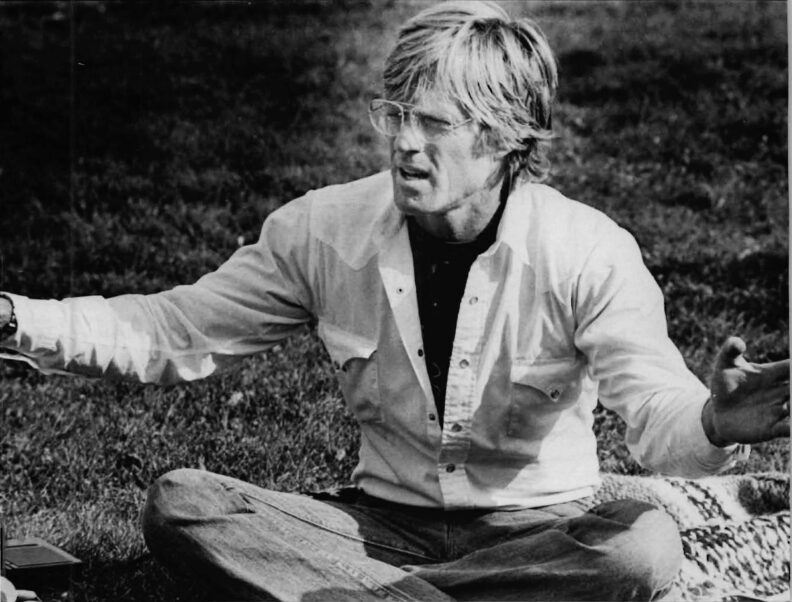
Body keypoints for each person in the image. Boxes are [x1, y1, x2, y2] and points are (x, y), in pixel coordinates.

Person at [0, 2, 788, 600]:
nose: (403, 143)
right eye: (395, 115)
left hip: (542, 532)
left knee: (642, 548)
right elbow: (174, 329)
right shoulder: (323, 227)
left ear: (506, 137)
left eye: (433, 124)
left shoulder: (586, 249)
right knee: (182, 502)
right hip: (378, 526)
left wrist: (717, 422)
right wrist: (15, 318)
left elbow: (653, 411)